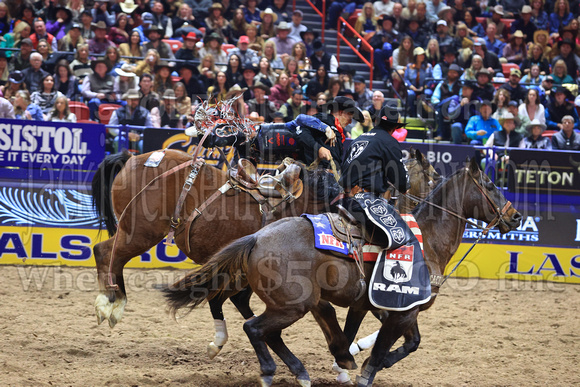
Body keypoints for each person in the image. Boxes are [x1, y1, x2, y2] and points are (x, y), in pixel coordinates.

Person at [339, 105, 427, 302]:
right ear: (395, 128)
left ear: (377, 121)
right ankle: (389, 287)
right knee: (402, 236)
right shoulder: (389, 142)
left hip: (343, 198)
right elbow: (402, 182)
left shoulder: (360, 139)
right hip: (365, 200)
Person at [296, 96, 364, 166]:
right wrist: (319, 148)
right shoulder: (321, 120)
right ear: (341, 113)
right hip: (312, 170)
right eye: (349, 117)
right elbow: (301, 132)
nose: (350, 122)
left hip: (328, 173)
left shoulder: (340, 132)